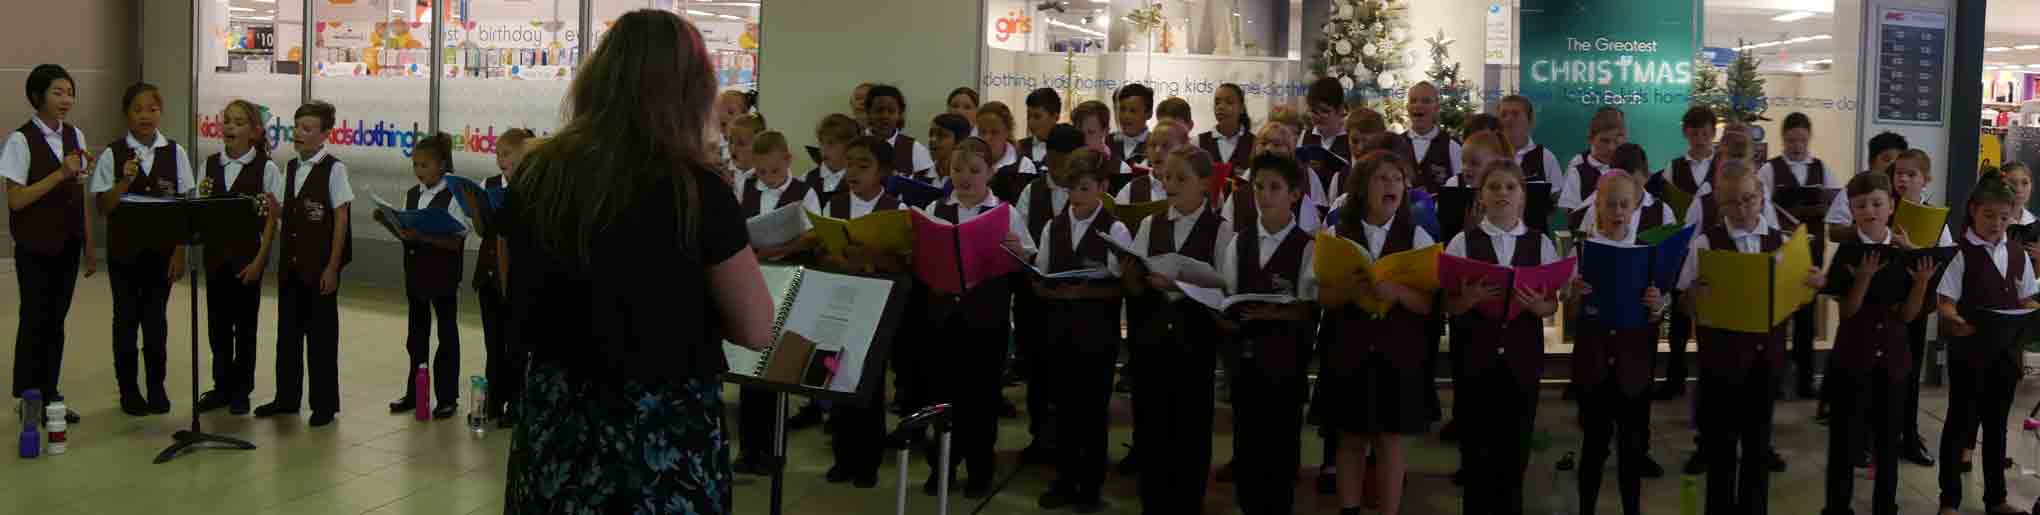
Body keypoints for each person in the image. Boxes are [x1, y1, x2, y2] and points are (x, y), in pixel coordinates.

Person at [501, 10, 775, 514]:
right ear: (691, 93)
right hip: (662, 434)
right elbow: (757, 327)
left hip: (558, 423)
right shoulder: (697, 191)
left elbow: (516, 295)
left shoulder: (537, 175)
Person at [1679, 161, 1822, 515]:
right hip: (1720, 364)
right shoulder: (1703, 244)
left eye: (1748, 200)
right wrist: (1693, 297)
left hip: (1765, 361)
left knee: (1758, 446)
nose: (1741, 210)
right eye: (1731, 203)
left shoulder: (1784, 243)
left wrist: (1810, 285)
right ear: (1719, 205)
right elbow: (1682, 301)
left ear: (1761, 197)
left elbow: (1799, 299)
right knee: (1721, 448)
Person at [915, 137, 1036, 498]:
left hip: (986, 319)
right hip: (942, 318)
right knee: (941, 395)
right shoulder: (936, 209)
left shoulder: (1004, 212)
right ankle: (943, 467)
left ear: (990, 173)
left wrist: (1018, 253)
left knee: (981, 398)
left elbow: (1027, 260)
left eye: (974, 170)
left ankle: (980, 469)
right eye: (956, 169)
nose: (964, 177)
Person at [1318, 151, 1435, 515]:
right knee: (1350, 437)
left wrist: (1398, 292)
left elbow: (1428, 304)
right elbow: (1321, 295)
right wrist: (1350, 292)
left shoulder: (1416, 235)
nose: (1390, 185)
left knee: (1389, 440)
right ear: (1362, 187)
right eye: (1381, 178)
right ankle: (1349, 508)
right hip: (1348, 348)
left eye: (1397, 179)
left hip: (1396, 353)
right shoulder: (1337, 234)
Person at [1445, 161, 1563, 515]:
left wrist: (1538, 304)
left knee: (1516, 450)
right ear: (1481, 196)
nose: (1502, 193)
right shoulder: (1462, 241)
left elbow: (1550, 306)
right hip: (1474, 360)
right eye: (1494, 187)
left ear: (1523, 198)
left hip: (1521, 360)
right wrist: (1467, 300)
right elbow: (1450, 304)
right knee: (1476, 450)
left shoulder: (1539, 242)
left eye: (1510, 187)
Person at [1119, 145, 1230, 514]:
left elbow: (1225, 286)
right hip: (1152, 339)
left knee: (1192, 427)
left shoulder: (1220, 229)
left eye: (1182, 178)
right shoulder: (1152, 225)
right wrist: (1132, 276)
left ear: (1204, 184)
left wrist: (1186, 285)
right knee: (1151, 424)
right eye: (1167, 177)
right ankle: (1154, 499)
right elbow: (1134, 287)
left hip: (1194, 340)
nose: (1171, 184)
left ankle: (1187, 500)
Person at [1819, 171, 1932, 515]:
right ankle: (1838, 507)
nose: (1870, 210)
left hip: (1894, 360)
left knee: (1887, 440)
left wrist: (1921, 282)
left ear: (1891, 206)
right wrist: (1864, 279)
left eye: (1877, 203)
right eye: (1861, 205)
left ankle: (1886, 505)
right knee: (1844, 441)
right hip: (1852, 357)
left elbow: (1910, 316)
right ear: (1852, 210)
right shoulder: (1848, 252)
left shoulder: (1904, 253)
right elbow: (1848, 312)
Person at [1029, 146, 1131, 512]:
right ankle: (1063, 481)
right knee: (1062, 410)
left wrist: (1088, 290)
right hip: (1058, 332)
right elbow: (1040, 276)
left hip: (1097, 336)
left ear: (1102, 186)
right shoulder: (1053, 226)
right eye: (1072, 189)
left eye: (1085, 188)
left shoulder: (1115, 228)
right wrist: (1043, 284)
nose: (1077, 196)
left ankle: (1089, 487)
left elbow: (1124, 284)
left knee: (1091, 413)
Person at [1221, 152, 1319, 515]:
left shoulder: (1307, 246)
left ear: (1294, 194)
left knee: (1281, 444)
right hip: (1245, 360)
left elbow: (1309, 305)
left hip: (1287, 362)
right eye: (1258, 186)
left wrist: (1277, 311)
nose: (1264, 195)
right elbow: (1228, 295)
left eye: (1274, 187)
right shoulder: (1240, 242)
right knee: (1246, 440)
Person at [1933, 169, 2035, 515]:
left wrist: (2029, 314)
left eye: (2003, 217)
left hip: (2005, 358)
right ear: (1974, 211)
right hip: (1969, 355)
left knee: (1996, 428)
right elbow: (1945, 303)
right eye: (1988, 215)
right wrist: (1954, 320)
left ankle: (1997, 498)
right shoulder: (1960, 253)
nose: (1996, 223)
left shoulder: (2018, 253)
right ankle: (1949, 500)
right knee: (1959, 427)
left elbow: (2028, 299)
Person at [91, 82, 195, 416]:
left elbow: (185, 206)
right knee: (125, 322)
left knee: (155, 323)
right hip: (124, 256)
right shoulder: (113, 153)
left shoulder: (175, 152)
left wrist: (180, 251)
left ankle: (156, 386)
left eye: (152, 108)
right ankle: (129, 390)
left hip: (161, 257)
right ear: (127, 115)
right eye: (138, 109)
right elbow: (103, 207)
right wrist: (123, 181)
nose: (146, 116)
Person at [1568, 171, 1666, 515]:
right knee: (1593, 448)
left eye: (1624, 204)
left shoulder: (1647, 252)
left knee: (1632, 449)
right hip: (1594, 365)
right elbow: (1573, 309)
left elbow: (1655, 314)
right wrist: (1575, 297)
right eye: (1610, 204)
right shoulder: (1582, 250)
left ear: (1635, 206)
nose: (1617, 211)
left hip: (1633, 369)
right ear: (1597, 204)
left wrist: (1656, 305)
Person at [253, 100, 354, 427]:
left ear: (325, 134)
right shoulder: (291, 167)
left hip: (319, 267)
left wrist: (332, 267)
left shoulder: (334, 168)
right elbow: (284, 211)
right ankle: (286, 397)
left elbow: (341, 218)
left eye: (308, 128)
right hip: (291, 267)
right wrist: (271, 205)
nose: (299, 133)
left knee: (322, 338)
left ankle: (324, 404)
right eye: (297, 126)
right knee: (288, 335)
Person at [5, 64, 91, 425]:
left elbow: (80, 192)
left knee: (56, 322)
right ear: (37, 95)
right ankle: (28, 398)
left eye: (69, 92)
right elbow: (16, 200)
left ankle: (50, 393)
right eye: (57, 92)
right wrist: (59, 173)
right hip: (35, 246)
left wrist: (88, 243)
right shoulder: (19, 140)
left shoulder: (76, 136)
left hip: (68, 244)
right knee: (34, 321)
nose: (66, 100)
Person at [195, 99, 283, 417]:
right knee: (217, 327)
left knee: (245, 328)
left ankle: (241, 390)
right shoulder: (209, 165)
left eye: (238, 122)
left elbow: (272, 221)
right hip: (216, 259)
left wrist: (260, 260)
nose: (230, 127)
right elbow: (199, 207)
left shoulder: (266, 168)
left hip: (248, 260)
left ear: (254, 132)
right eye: (226, 121)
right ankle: (221, 386)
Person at [373, 132, 469, 420]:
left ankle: (447, 396)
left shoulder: (453, 195)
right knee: (416, 337)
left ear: (441, 165)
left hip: (443, 276)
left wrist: (424, 237)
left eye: (425, 165)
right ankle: (416, 393)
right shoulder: (413, 194)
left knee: (446, 335)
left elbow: (456, 241)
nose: (419, 171)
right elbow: (407, 236)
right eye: (415, 165)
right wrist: (388, 222)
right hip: (415, 275)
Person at [470, 127, 532, 427]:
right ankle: (493, 401)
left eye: (507, 154)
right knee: (493, 344)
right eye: (497, 153)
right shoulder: (489, 184)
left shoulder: (532, 186)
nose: (500, 160)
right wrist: (475, 211)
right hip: (490, 276)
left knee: (516, 346)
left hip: (519, 277)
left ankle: (516, 405)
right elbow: (484, 231)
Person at [1397, 82, 1461, 193]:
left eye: (1426, 101)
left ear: (1437, 108)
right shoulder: (1395, 144)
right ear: (1407, 108)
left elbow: (1460, 187)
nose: (1418, 105)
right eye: (1413, 101)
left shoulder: (1452, 146)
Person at [1558, 107, 1626, 211]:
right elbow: (1570, 210)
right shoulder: (1578, 164)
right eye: (1604, 141)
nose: (1611, 148)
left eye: (1617, 142)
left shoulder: (1628, 164)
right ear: (1591, 139)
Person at [864, 84, 935, 177]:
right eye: (879, 110)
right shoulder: (854, 144)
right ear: (868, 112)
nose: (885, 116)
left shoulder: (915, 149)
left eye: (891, 111)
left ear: (900, 114)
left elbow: (928, 186)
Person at [1496, 94, 1561, 188]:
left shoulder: (1546, 158)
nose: (1508, 119)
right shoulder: (1490, 153)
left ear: (1530, 120)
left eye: (1515, 114)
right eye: (1503, 115)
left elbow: (1557, 196)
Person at [1299, 78, 1349, 199]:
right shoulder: (1305, 136)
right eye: (1313, 111)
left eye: (1325, 111)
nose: (1318, 117)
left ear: (1340, 110)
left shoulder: (1351, 139)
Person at [1199, 83, 1255, 171]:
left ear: (1241, 108)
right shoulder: (1198, 142)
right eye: (1217, 103)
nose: (1221, 107)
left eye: (1229, 102)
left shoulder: (1255, 143)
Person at [803, 113, 858, 196]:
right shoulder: (806, 178)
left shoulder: (859, 179)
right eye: (821, 142)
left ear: (849, 146)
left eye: (831, 143)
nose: (824, 149)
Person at [1111, 84, 1155, 171]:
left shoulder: (1156, 145)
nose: (1126, 116)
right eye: (1122, 109)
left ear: (1149, 114)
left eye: (1133, 111)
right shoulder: (1108, 142)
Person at [1021, 87, 1061, 164]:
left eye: (1037, 117)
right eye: (1028, 116)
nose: (1030, 122)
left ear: (1055, 117)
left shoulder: (1066, 150)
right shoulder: (1020, 148)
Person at [725, 112, 766, 185]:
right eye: (731, 141)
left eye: (741, 143)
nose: (733, 148)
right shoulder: (723, 171)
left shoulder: (766, 178)